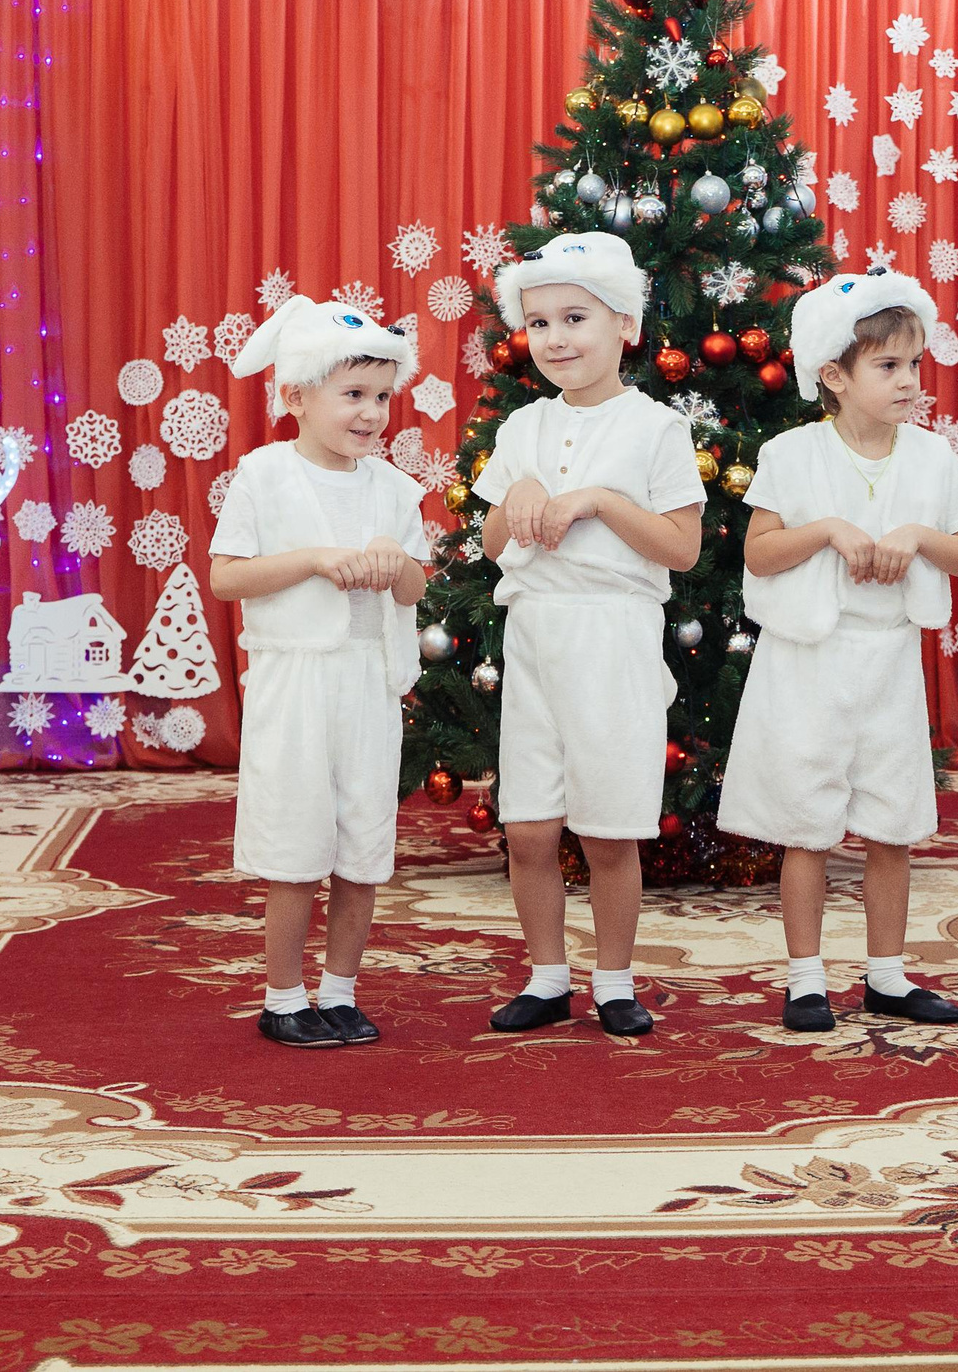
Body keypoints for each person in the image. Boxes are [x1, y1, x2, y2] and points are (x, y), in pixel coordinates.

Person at [718, 269, 958, 1033]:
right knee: (808, 825)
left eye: (914, 364)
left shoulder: (932, 458)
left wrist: (916, 537)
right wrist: (831, 530)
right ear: (833, 376)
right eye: (889, 366)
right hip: (809, 662)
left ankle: (887, 975)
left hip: (888, 661)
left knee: (892, 822)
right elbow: (761, 552)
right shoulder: (792, 454)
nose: (910, 381)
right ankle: (805, 979)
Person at [474, 231, 703, 1038]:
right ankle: (544, 976)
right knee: (529, 826)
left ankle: (613, 981)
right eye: (539, 324)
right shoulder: (521, 429)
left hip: (614, 640)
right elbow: (494, 541)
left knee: (608, 828)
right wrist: (524, 486)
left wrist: (601, 499)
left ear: (626, 327)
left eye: (576, 318)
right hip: (535, 635)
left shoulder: (656, 429)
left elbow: (681, 548)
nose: (556, 339)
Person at [209, 298, 428, 1048]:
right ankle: (283, 997)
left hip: (366, 680)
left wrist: (395, 564)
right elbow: (228, 578)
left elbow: (415, 587)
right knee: (296, 844)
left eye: (381, 398)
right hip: (296, 682)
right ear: (297, 396)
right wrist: (314, 560)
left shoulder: (395, 490)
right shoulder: (264, 476)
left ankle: (339, 990)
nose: (370, 415)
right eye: (352, 395)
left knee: (363, 842)